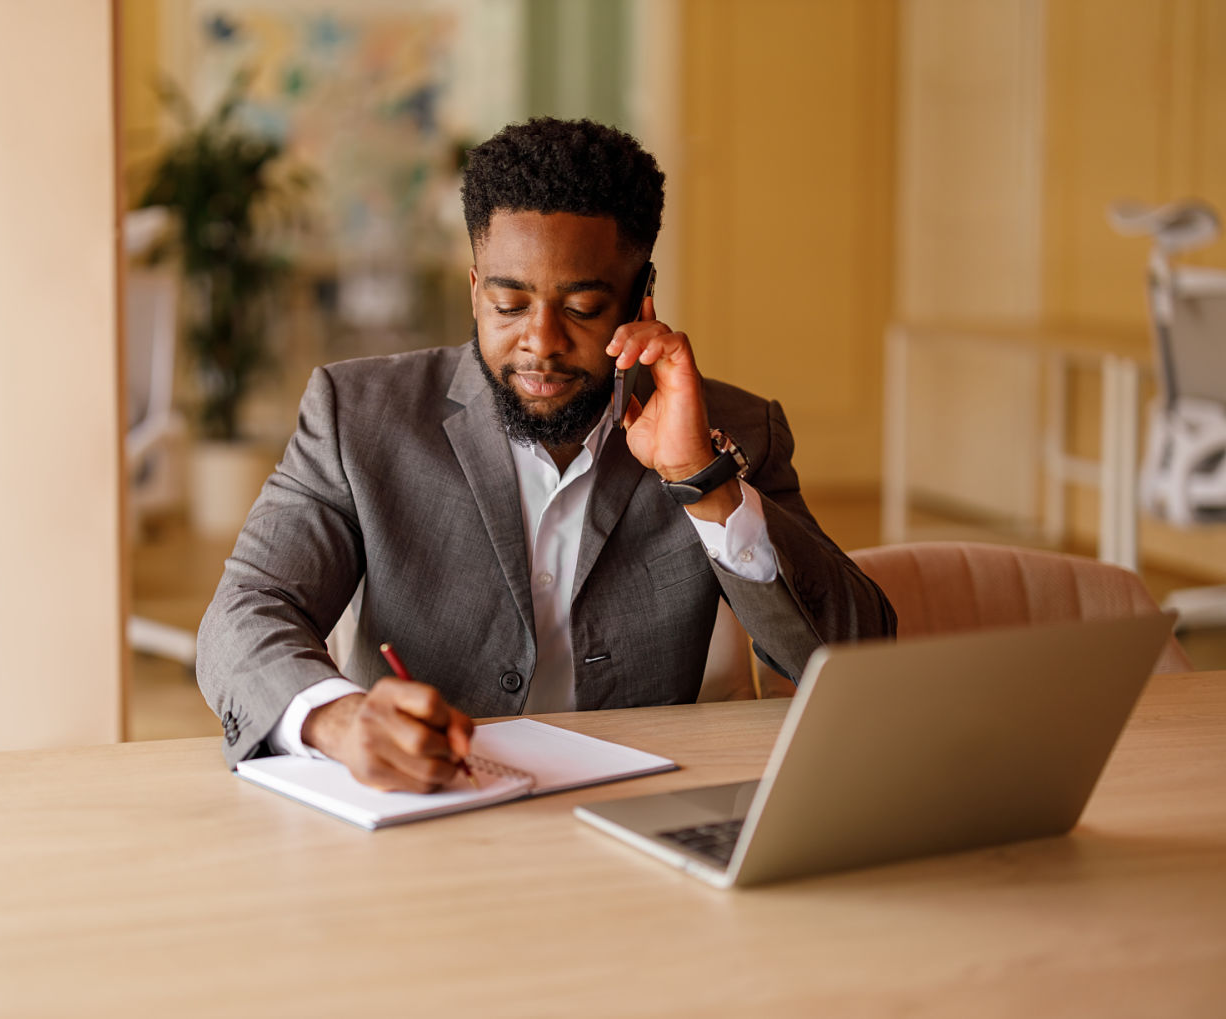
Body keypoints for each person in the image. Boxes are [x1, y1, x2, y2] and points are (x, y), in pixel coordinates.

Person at [195, 117, 896, 791]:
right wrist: (337, 719)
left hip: (640, 815)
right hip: (427, 814)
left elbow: (858, 659)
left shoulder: (734, 428)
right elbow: (244, 615)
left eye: (584, 308)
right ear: (474, 290)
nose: (540, 341)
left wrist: (702, 481)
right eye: (508, 303)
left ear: (642, 297)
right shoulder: (358, 415)